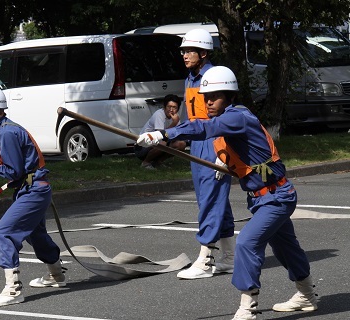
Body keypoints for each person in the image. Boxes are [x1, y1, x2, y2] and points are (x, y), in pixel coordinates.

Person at [137, 66, 318, 319]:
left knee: (246, 243)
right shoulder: (228, 124)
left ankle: (247, 309)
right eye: (206, 97)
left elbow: (203, 128)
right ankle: (307, 295)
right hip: (263, 198)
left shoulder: (236, 117)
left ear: (230, 96)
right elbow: (220, 139)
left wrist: (163, 133)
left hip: (276, 197)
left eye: (216, 96)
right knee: (286, 248)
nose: (209, 101)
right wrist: (225, 161)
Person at [0, 86, 66, 307]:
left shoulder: (7, 132)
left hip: (33, 190)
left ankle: (13, 290)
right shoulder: (2, 130)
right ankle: (56, 274)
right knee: (35, 235)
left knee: (3, 234)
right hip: (33, 189)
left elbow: (12, 171)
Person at [175, 28, 235, 279]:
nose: (185, 55)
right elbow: (191, 118)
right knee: (212, 199)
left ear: (203, 52)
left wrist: (224, 153)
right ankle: (230, 258)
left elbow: (224, 119)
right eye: (183, 51)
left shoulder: (215, 76)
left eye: (189, 50)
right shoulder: (190, 78)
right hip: (198, 143)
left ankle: (205, 259)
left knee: (211, 200)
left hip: (215, 142)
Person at [134, 94, 187, 169]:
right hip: (142, 147)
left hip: (158, 143)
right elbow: (160, 135)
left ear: (178, 109)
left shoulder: (175, 117)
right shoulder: (159, 114)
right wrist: (174, 123)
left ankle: (158, 162)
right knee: (163, 143)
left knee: (181, 144)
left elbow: (177, 133)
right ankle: (145, 163)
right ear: (164, 107)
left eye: (174, 107)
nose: (171, 110)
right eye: (169, 107)